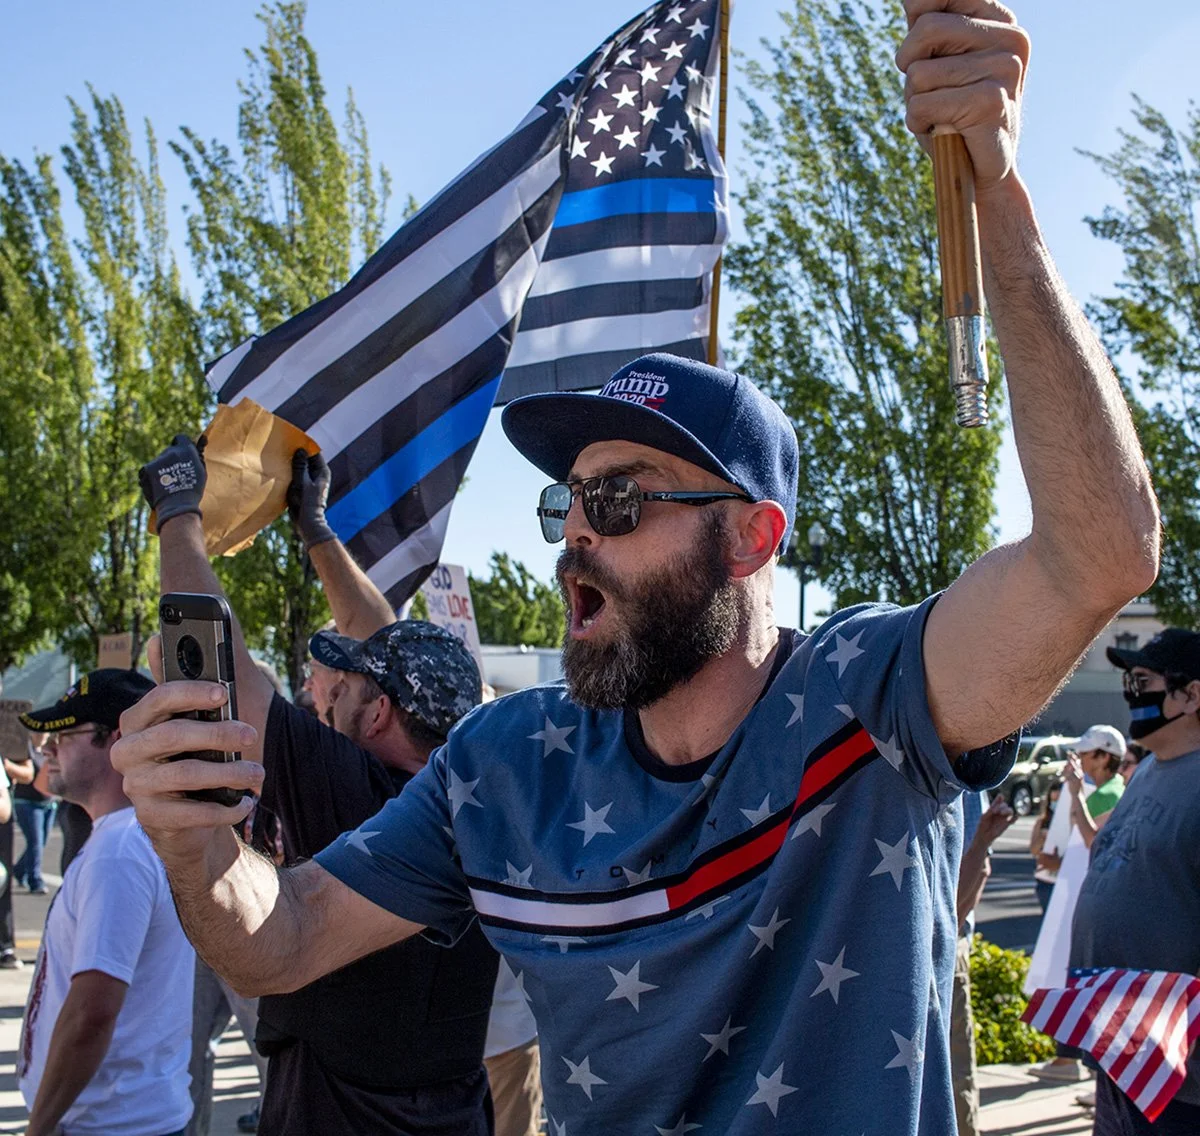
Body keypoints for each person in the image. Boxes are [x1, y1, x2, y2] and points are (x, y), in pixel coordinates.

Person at [112, 5, 1163, 1131]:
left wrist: (996, 188)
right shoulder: (504, 767)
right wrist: (194, 843)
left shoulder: (869, 698)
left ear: (754, 537)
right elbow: (279, 937)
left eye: (618, 499)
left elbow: (1099, 552)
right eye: (569, 500)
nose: (575, 533)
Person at [136, 441, 500, 1135]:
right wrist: (317, 531)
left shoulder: (359, 797)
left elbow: (219, 668)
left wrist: (177, 510)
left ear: (381, 714)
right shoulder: (465, 801)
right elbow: (398, 654)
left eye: (346, 687)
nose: (326, 695)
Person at [17, 669, 194, 1136]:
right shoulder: (137, 835)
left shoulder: (120, 849)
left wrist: (38, 1127)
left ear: (119, 740)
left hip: (106, 1123)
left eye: (65, 734)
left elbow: (92, 1013)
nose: (48, 749)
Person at [1064, 630, 1200, 1133]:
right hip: (1121, 1051)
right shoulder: (1145, 773)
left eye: (1142, 680)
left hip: (1180, 1074)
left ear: (1191, 695)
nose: (1130, 693)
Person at [1025, 724, 1126, 1083]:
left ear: (1103, 757)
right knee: (1066, 974)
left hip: (1087, 900)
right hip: (1073, 894)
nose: (1080, 758)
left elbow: (1092, 842)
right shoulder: (1099, 790)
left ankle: (1077, 1063)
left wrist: (1074, 792)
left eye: (1086, 752)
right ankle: (1072, 1060)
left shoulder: (1113, 793)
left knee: (1077, 976)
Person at [953, 794, 1017, 1135]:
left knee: (952, 1071)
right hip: (911, 946)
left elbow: (979, 865)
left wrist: (944, 937)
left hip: (943, 947)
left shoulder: (963, 782)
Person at [8, 732, 55, 895]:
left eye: (45, 732)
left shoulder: (48, 749)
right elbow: (27, 775)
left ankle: (20, 870)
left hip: (48, 803)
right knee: (35, 842)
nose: (42, 735)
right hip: (27, 802)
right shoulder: (24, 749)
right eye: (39, 731)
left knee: (40, 843)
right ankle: (35, 880)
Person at [1028, 778, 1063, 913]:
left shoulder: (1072, 820)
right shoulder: (1042, 822)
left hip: (1063, 877)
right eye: (1053, 801)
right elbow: (1033, 850)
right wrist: (1043, 837)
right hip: (1045, 879)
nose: (1055, 805)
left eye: (1059, 801)